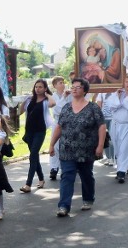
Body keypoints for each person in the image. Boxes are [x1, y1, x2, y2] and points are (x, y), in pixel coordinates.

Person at [49, 78, 105, 216]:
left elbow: (101, 127)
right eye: (72, 86)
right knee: (67, 175)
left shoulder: (93, 108)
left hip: (86, 150)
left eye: (78, 87)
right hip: (67, 149)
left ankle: (88, 198)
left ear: (85, 90)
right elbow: (59, 127)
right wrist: (51, 144)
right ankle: (63, 206)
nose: (74, 89)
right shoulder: (66, 108)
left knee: (86, 175)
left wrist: (100, 145)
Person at [19, 79, 55, 193]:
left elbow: (53, 103)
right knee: (34, 156)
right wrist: (24, 101)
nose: (37, 89)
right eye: (36, 87)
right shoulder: (30, 100)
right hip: (29, 131)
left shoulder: (45, 101)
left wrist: (48, 95)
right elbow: (20, 112)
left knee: (33, 154)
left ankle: (28, 184)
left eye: (40, 87)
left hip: (40, 131)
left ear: (45, 88)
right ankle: (41, 179)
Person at [50, 76, 71, 178]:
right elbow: (57, 109)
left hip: (68, 122)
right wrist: (63, 98)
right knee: (54, 146)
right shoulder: (53, 97)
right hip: (57, 121)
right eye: (60, 83)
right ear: (54, 86)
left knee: (66, 146)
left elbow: (69, 108)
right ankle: (54, 167)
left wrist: (65, 97)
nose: (62, 84)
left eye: (63, 82)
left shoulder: (69, 95)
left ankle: (65, 168)